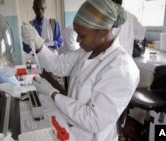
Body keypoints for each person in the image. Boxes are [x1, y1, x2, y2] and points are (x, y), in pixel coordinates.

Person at [21, 0, 140, 140]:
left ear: (104, 32)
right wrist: (39, 44)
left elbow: (93, 120)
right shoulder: (88, 51)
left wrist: (53, 93)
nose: (77, 40)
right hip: (71, 125)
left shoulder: (121, 69)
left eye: (82, 35)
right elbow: (58, 64)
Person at [23, 0, 66, 95]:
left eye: (42, 9)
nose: (40, 12)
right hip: (36, 64)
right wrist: (33, 47)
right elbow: (25, 47)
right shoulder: (30, 25)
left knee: (56, 90)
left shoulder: (53, 23)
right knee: (40, 90)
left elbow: (60, 42)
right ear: (33, 9)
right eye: (37, 9)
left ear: (45, 8)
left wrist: (47, 44)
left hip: (51, 62)